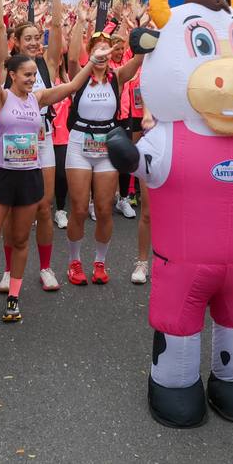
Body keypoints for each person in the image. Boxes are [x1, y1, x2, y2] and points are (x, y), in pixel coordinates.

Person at [0, 0, 106, 323]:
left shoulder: (39, 98)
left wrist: (92, 61)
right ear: (12, 75)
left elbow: (73, 86)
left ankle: (14, 299)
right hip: (2, 175)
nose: (32, 78)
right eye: (27, 74)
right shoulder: (1, 96)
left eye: (35, 74)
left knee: (20, 238)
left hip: (30, 174)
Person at [0, 0, 67, 294]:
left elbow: (59, 28)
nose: (36, 42)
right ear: (18, 43)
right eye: (29, 38)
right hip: (10, 144)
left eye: (38, 37)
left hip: (43, 140)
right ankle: (8, 270)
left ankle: (46, 267)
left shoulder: (47, 64)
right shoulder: (11, 66)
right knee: (12, 210)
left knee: (43, 207)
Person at [62, 17, 143, 286]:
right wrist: (77, 23)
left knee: (105, 208)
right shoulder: (80, 73)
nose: (103, 54)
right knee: (78, 207)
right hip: (79, 142)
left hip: (107, 142)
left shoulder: (117, 77)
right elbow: (73, 56)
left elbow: (139, 59)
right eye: (98, 49)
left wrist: (144, 32)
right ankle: (74, 262)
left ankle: (100, 262)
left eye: (107, 49)